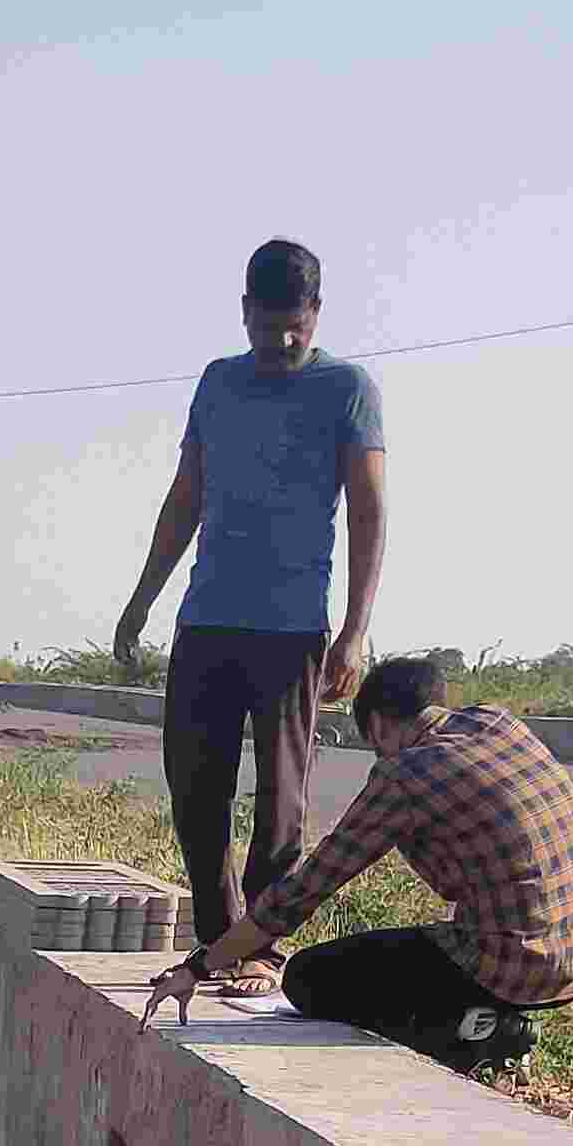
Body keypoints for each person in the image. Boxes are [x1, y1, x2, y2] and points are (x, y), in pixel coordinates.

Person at [141, 654, 573, 1078]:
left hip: (515, 964)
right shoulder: (499, 724)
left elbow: (306, 889)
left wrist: (199, 966)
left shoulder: (406, 772)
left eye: (374, 745)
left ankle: (474, 1034)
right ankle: (484, 1019)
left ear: (380, 724)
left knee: (310, 977)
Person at [115, 235, 386, 959]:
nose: (284, 340)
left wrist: (355, 630)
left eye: (296, 325)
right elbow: (185, 498)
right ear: (244, 313)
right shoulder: (218, 383)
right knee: (195, 792)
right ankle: (219, 939)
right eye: (269, 327)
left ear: (317, 312)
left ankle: (260, 945)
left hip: (292, 630)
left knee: (282, 801)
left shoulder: (348, 390)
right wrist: (142, 600)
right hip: (207, 620)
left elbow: (369, 512)